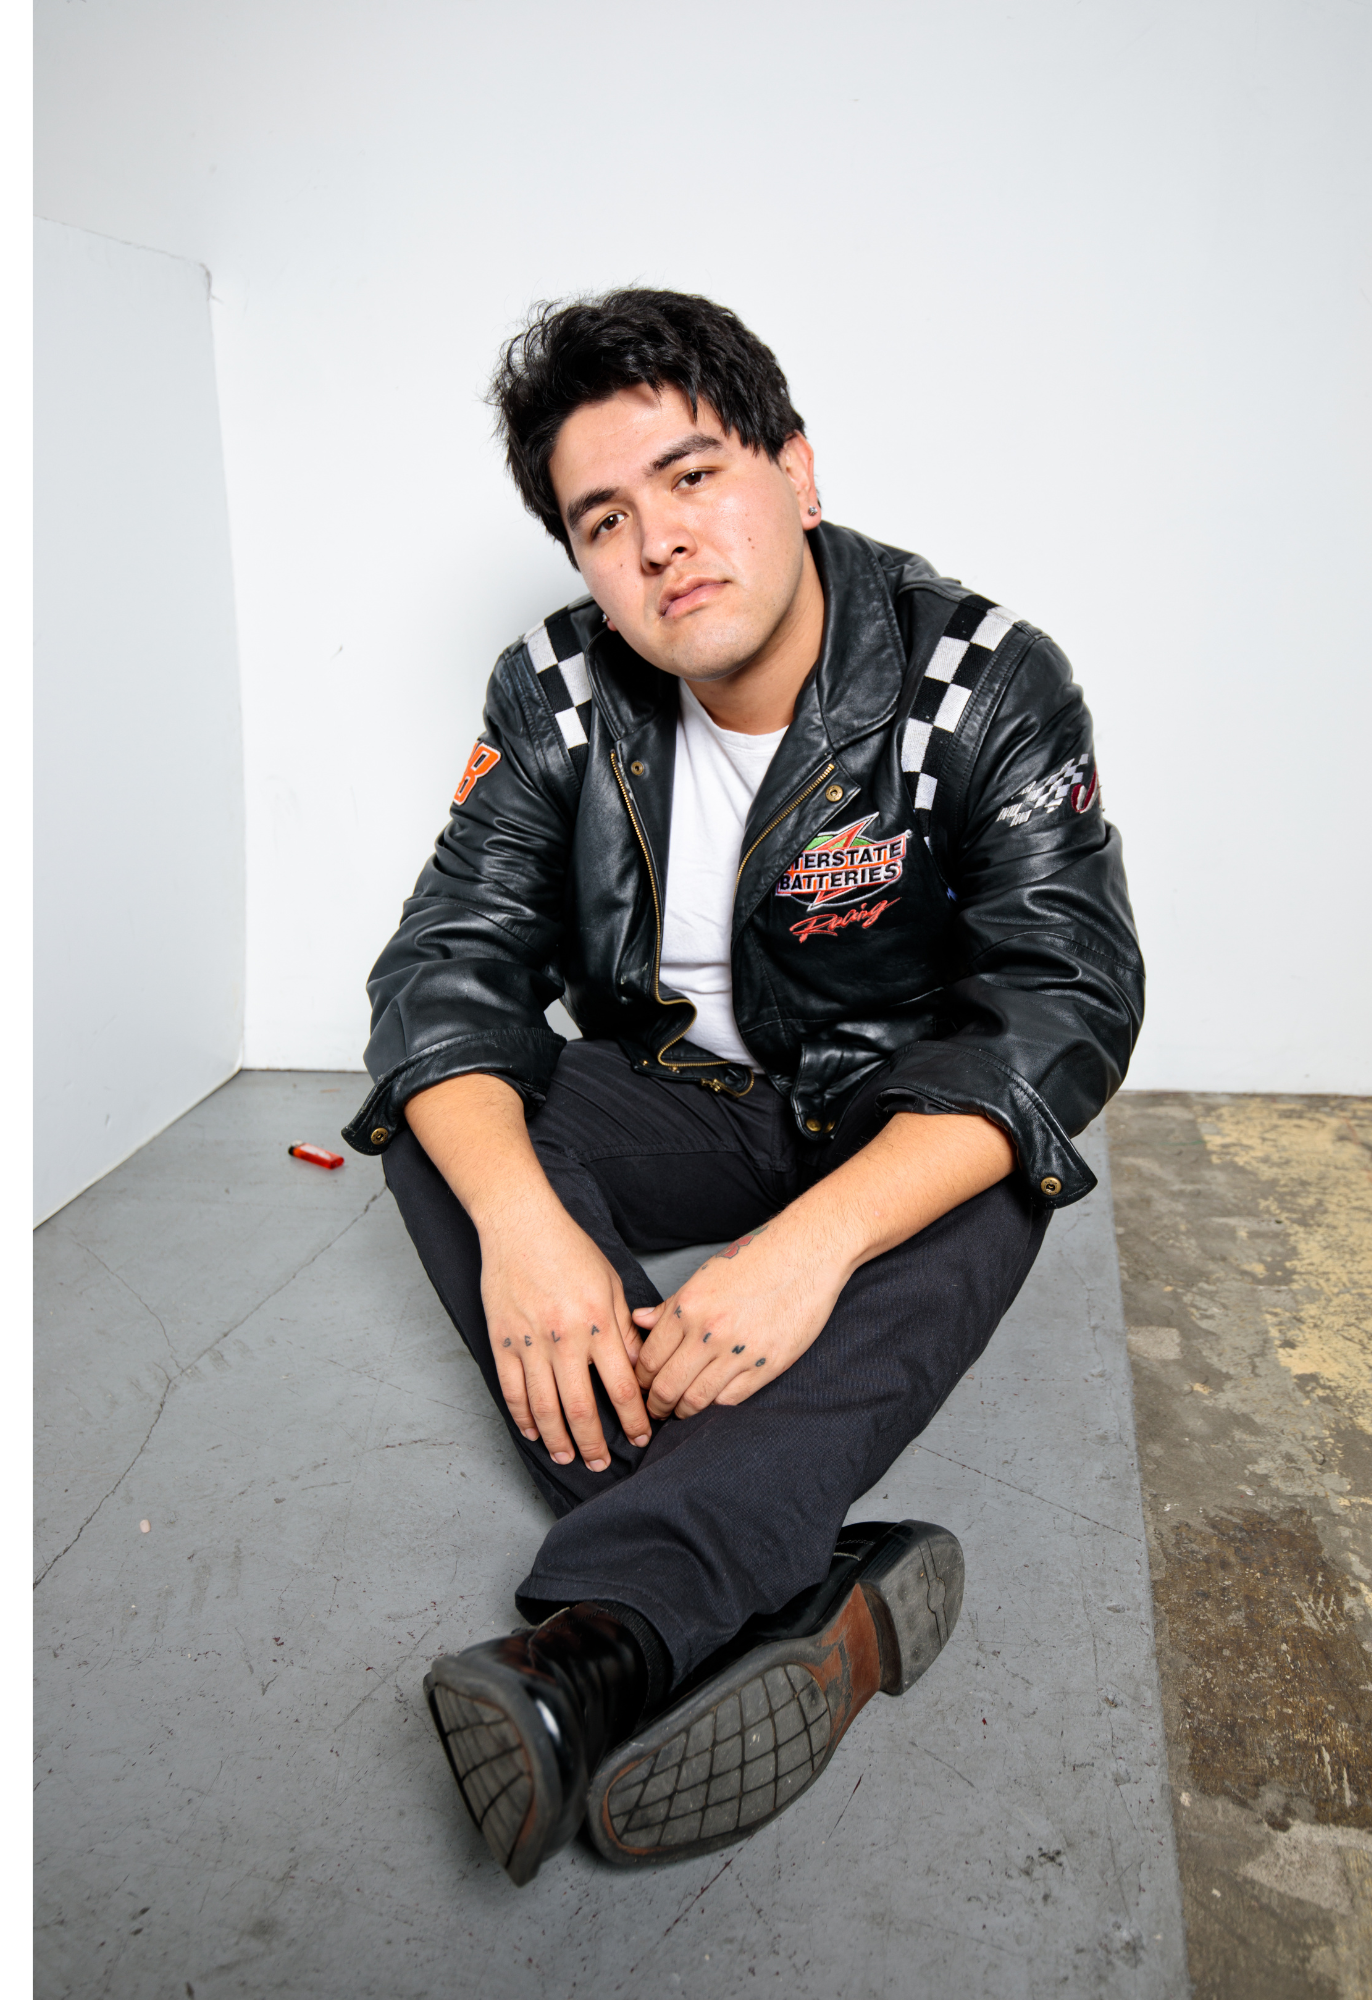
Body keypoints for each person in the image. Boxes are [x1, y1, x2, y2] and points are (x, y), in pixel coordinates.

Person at [344, 289, 1143, 1885]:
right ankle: (789, 1576)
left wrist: (813, 1245)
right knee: (450, 1125)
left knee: (1000, 1170)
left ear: (797, 470)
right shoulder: (556, 694)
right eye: (604, 519)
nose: (659, 542)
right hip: (685, 1099)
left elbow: (1062, 1005)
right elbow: (444, 972)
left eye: (694, 475)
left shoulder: (977, 679)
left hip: (888, 1118)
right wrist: (528, 1229)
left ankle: (605, 1646)